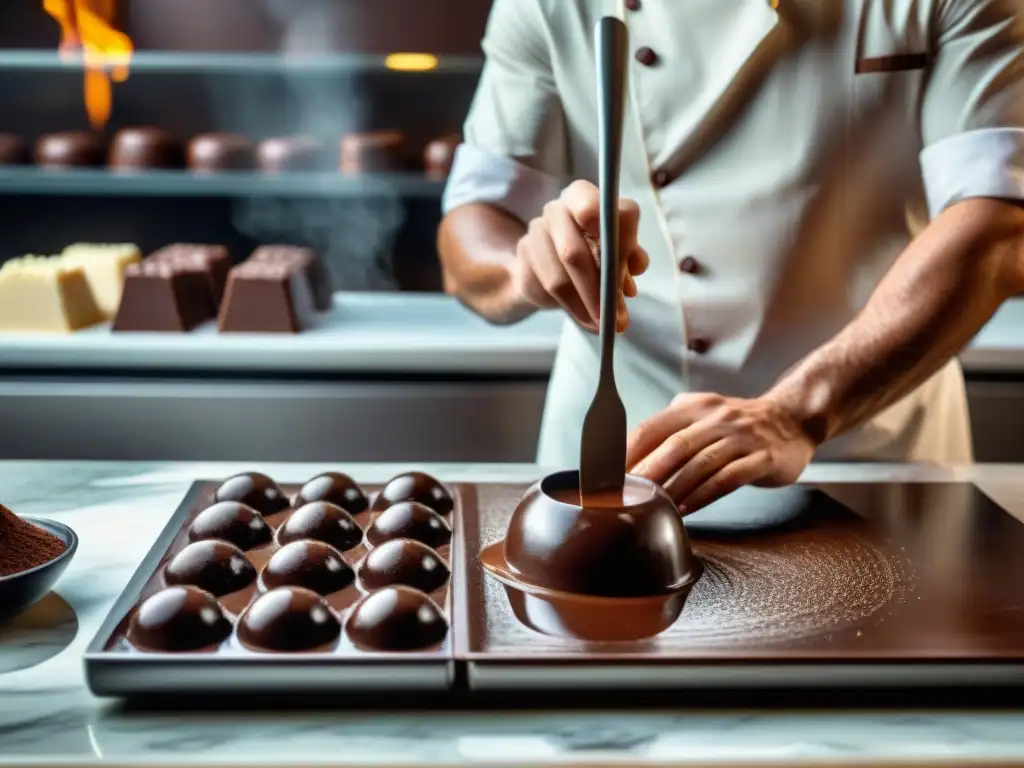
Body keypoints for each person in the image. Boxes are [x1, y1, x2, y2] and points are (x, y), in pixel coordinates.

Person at [437, 0, 1024, 513]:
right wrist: (528, 270)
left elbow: (998, 223)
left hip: (869, 444)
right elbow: (473, 220)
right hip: (618, 450)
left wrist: (797, 412)